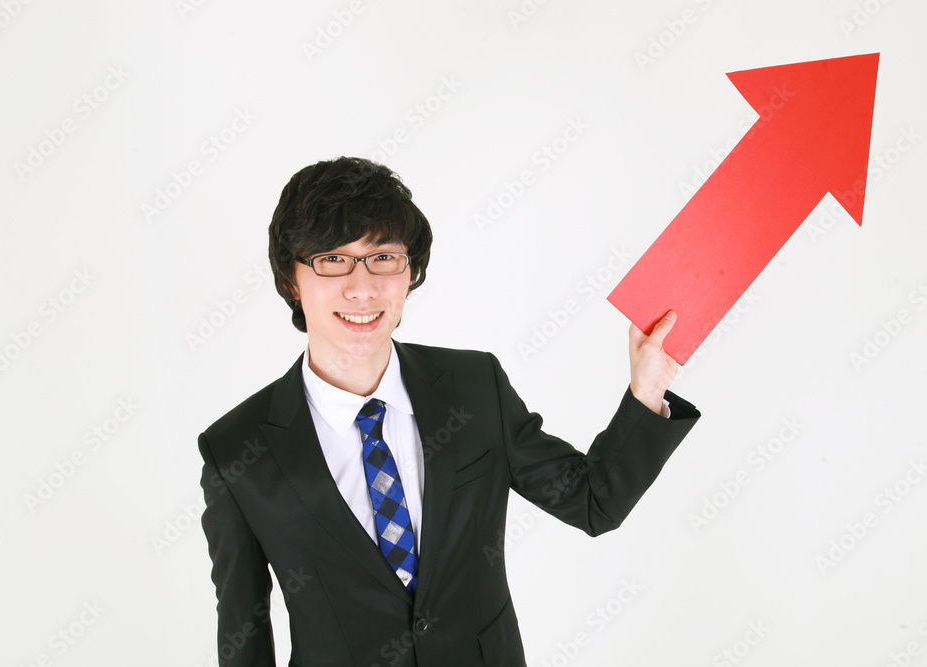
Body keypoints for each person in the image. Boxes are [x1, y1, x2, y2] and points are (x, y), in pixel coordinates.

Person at [198, 156, 701, 666]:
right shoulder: (236, 452)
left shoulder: (474, 387)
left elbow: (594, 501)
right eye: (332, 259)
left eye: (383, 257)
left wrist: (647, 390)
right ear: (291, 279)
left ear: (410, 273)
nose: (362, 288)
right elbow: (244, 637)